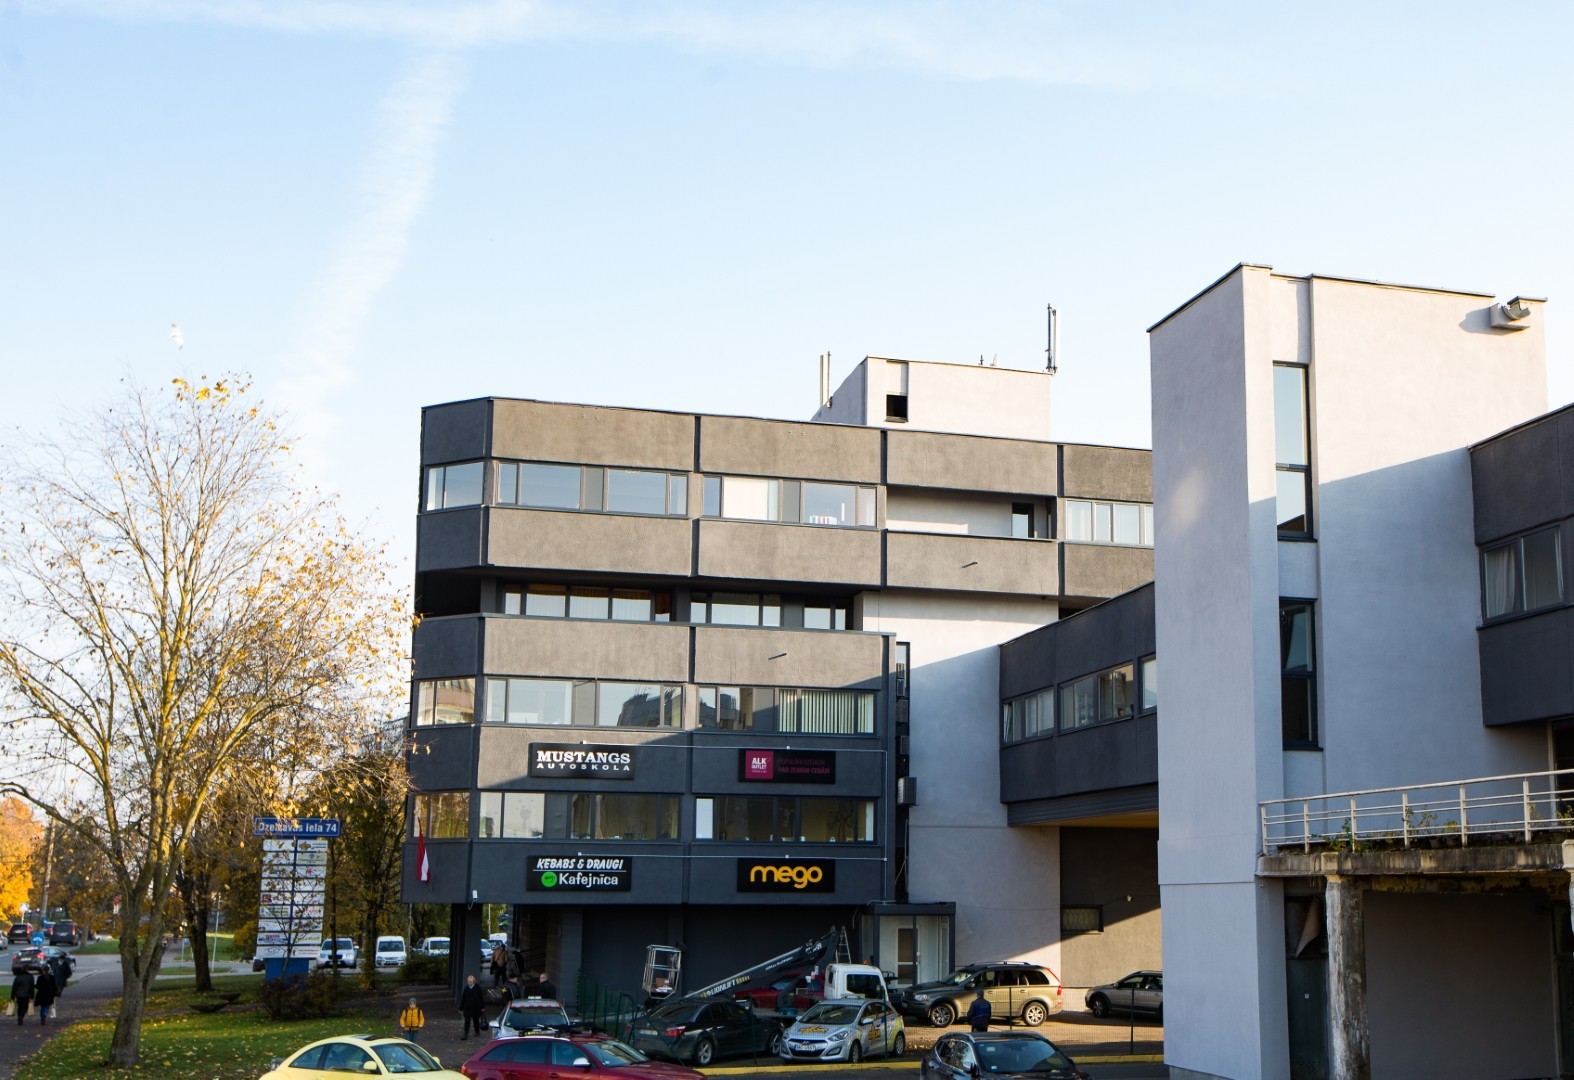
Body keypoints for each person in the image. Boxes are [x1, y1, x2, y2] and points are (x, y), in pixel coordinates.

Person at [460, 974, 486, 1039]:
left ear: (473, 981)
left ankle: (477, 1032)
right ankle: (465, 1034)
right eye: (468, 981)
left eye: (470, 981)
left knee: (476, 1020)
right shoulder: (466, 988)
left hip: (475, 1007)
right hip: (468, 1007)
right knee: (467, 1021)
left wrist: (482, 1007)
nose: (469, 983)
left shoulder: (477, 987)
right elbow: (463, 999)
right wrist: (461, 1008)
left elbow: (481, 998)